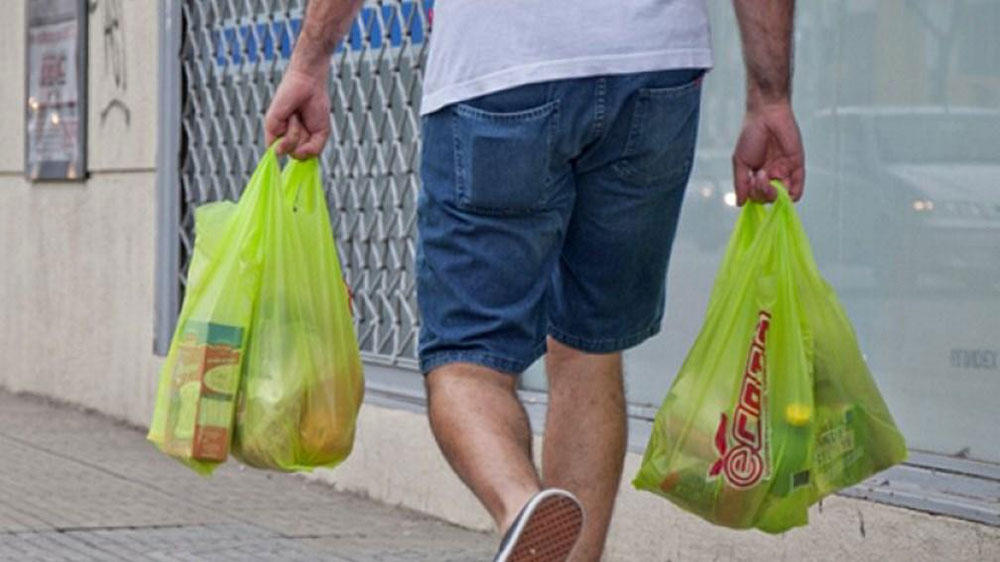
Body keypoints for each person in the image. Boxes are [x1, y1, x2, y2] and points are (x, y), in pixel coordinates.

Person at [265, 1, 805, 560]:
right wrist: (771, 99)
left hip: (501, 68)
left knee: (467, 361)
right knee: (590, 348)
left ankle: (521, 504)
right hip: (654, 70)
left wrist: (309, 61)